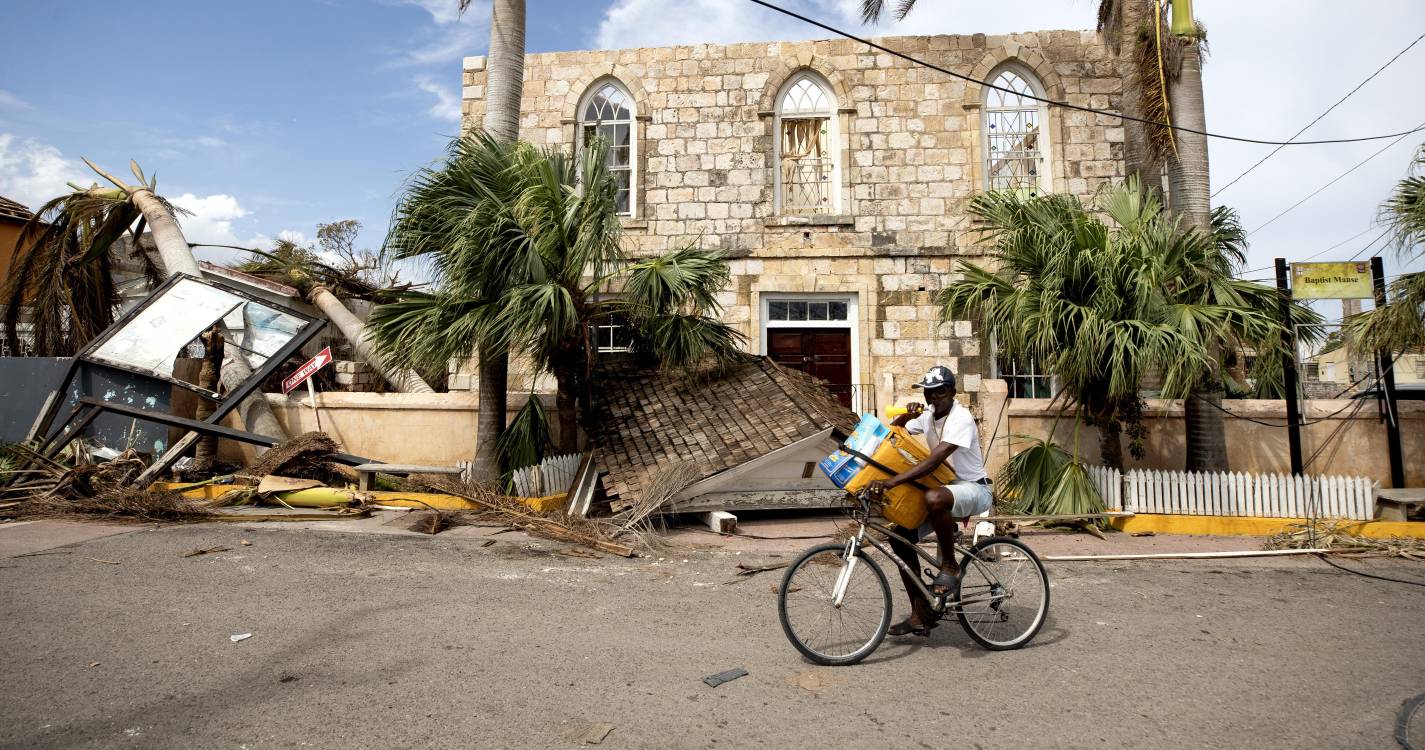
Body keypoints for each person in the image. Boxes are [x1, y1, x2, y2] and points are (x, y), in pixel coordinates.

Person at [866, 365, 993, 637]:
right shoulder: (929, 416)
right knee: (900, 537)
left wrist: (891, 482)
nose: (933, 398)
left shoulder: (961, 418)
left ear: (951, 392)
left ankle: (950, 566)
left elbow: (934, 459)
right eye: (928, 392)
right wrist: (904, 416)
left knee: (933, 497)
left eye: (939, 392)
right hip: (949, 491)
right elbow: (897, 434)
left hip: (975, 490)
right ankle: (920, 614)